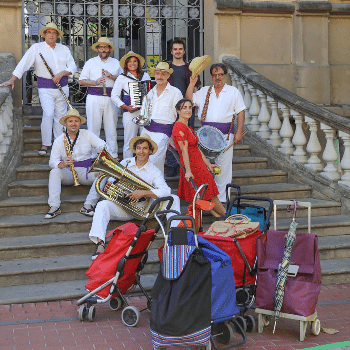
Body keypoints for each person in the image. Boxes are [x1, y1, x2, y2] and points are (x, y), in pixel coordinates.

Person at [87, 133, 181, 260]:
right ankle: (100, 244)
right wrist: (112, 187)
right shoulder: (125, 163)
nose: (141, 151)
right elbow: (109, 181)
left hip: (143, 209)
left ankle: (176, 237)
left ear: (150, 151)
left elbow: (166, 190)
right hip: (122, 206)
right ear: (135, 149)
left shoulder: (154, 171)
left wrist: (143, 193)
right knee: (102, 205)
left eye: (145, 148)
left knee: (174, 198)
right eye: (138, 148)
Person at [0, 23, 77, 156]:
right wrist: (12, 79)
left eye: (54, 33)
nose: (51, 35)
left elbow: (72, 66)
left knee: (61, 116)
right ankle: (46, 144)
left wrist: (61, 74)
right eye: (49, 32)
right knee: (48, 114)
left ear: (57, 35)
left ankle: (59, 145)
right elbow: (23, 64)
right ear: (45, 34)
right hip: (45, 88)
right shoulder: (36, 48)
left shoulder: (64, 49)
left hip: (62, 87)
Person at [186, 63, 246, 202]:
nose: (217, 77)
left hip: (225, 135)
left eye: (220, 75)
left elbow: (240, 112)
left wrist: (238, 132)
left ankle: (222, 200)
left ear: (224, 75)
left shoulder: (233, 91)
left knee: (223, 168)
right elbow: (188, 100)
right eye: (214, 75)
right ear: (211, 76)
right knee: (200, 165)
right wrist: (191, 84)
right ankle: (202, 197)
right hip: (205, 135)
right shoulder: (204, 91)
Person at [46, 109, 106, 219]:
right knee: (54, 172)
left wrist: (99, 164)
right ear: (65, 123)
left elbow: (103, 146)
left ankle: (88, 205)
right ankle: (54, 206)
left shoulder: (87, 134)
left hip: (86, 171)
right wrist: (62, 164)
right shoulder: (59, 140)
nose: (73, 124)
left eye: (76, 121)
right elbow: (52, 162)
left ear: (79, 123)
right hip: (68, 171)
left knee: (103, 175)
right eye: (70, 121)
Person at [172, 98, 226, 218]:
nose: (188, 110)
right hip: (192, 166)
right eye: (184, 108)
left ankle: (221, 218)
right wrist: (189, 171)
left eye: (190, 107)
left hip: (199, 164)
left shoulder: (188, 127)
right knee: (210, 194)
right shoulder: (179, 127)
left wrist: (208, 164)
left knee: (206, 193)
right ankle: (228, 217)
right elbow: (184, 151)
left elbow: (196, 149)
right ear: (178, 111)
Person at [79, 37, 123, 159]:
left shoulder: (116, 63)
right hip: (94, 97)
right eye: (101, 47)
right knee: (93, 126)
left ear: (109, 49)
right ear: (97, 49)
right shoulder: (90, 62)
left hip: (111, 98)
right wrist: (95, 82)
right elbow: (81, 81)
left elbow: (123, 79)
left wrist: (112, 76)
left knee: (111, 127)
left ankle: (113, 155)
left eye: (106, 47)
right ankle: (94, 155)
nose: (103, 50)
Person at [165, 39, 201, 177]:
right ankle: (172, 166)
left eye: (180, 49)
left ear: (184, 51)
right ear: (171, 51)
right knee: (171, 136)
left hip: (187, 109)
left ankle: (186, 166)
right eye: (175, 49)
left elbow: (195, 89)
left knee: (187, 138)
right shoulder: (167, 69)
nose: (178, 51)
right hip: (170, 109)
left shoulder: (191, 69)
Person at [141, 62, 183, 175]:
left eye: (163, 74)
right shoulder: (150, 92)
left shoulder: (175, 92)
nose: (160, 76)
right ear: (154, 74)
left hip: (163, 133)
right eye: (158, 73)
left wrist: (173, 136)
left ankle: (157, 190)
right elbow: (145, 115)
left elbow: (181, 116)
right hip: (146, 130)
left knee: (154, 163)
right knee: (144, 162)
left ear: (168, 76)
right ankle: (151, 189)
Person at [111, 51, 151, 158]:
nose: (132, 64)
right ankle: (127, 166)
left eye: (135, 61)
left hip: (144, 111)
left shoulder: (145, 75)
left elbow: (150, 92)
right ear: (126, 64)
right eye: (129, 62)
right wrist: (125, 107)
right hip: (129, 111)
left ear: (138, 63)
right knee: (130, 139)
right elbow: (114, 95)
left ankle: (145, 164)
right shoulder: (122, 77)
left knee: (145, 138)